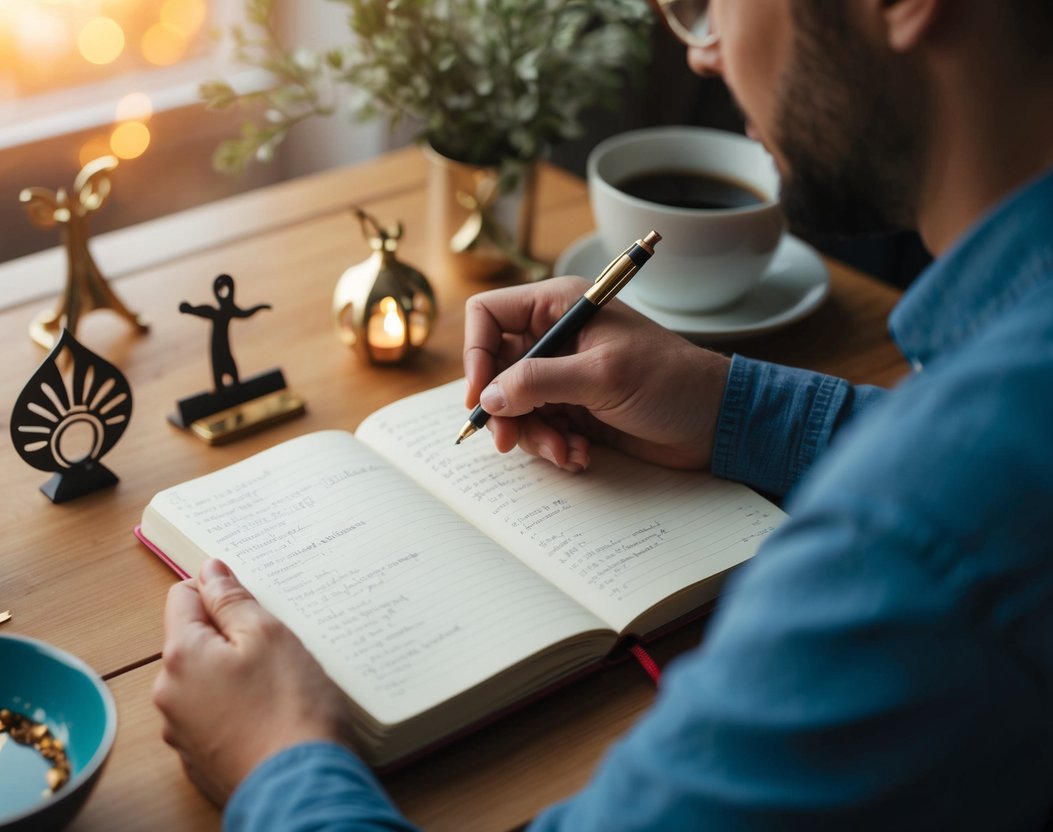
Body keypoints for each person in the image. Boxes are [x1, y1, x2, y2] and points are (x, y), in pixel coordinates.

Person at [153, 0, 1053, 827]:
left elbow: (955, 515)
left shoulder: (920, 533)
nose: (701, 54)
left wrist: (273, 761)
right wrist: (733, 405)